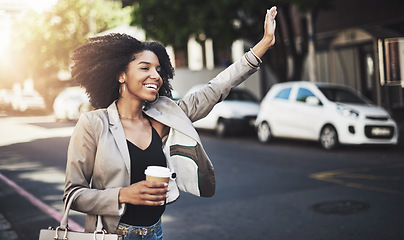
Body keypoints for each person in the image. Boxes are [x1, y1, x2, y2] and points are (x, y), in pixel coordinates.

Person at [64, 6, 277, 240]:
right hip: (114, 235)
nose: (155, 75)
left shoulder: (165, 116)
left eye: (158, 69)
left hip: (156, 233)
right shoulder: (93, 124)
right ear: (121, 75)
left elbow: (216, 88)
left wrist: (263, 44)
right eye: (144, 68)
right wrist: (123, 195)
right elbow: (73, 194)